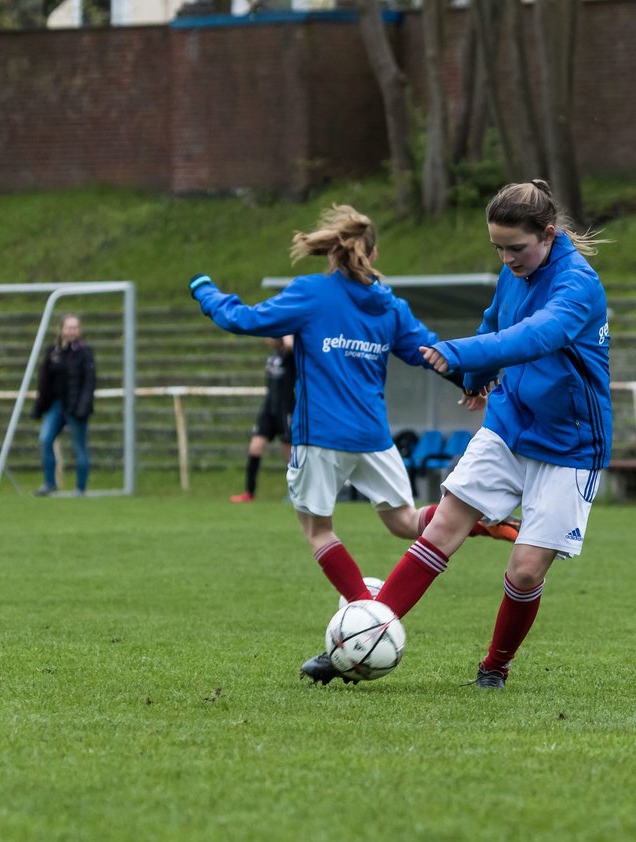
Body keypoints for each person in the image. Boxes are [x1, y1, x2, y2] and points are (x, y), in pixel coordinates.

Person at [187, 204, 519, 681]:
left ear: (334, 254)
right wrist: (471, 382)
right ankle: (476, 524)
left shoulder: (312, 293)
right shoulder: (388, 304)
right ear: (375, 252)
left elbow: (242, 321)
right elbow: (430, 354)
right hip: (372, 436)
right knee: (405, 522)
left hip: (320, 435)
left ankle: (367, 621)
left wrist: (205, 290)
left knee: (319, 530)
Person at [357, 179, 613, 690]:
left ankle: (494, 668)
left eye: (515, 248)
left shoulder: (577, 285)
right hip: (509, 422)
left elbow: (539, 335)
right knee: (442, 528)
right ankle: (360, 640)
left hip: (570, 444)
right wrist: (476, 380)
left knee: (524, 573)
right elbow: (496, 319)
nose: (507, 258)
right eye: (497, 247)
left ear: (547, 234)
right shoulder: (513, 270)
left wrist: (463, 354)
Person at [31, 313, 96, 497]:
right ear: (61, 330)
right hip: (57, 405)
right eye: (69, 327)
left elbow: (89, 382)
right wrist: (40, 406)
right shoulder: (53, 352)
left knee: (79, 446)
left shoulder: (84, 352)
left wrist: (82, 407)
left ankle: (80, 488)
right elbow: (44, 381)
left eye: (75, 327)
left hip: (76, 407)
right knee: (45, 439)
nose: (72, 331)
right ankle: (49, 483)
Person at [231, 335, 297, 503]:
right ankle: (249, 492)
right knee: (255, 448)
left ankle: (296, 492)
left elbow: (290, 344)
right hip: (269, 406)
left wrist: (286, 335)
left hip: (286, 406)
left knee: (289, 453)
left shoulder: (291, 355)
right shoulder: (274, 355)